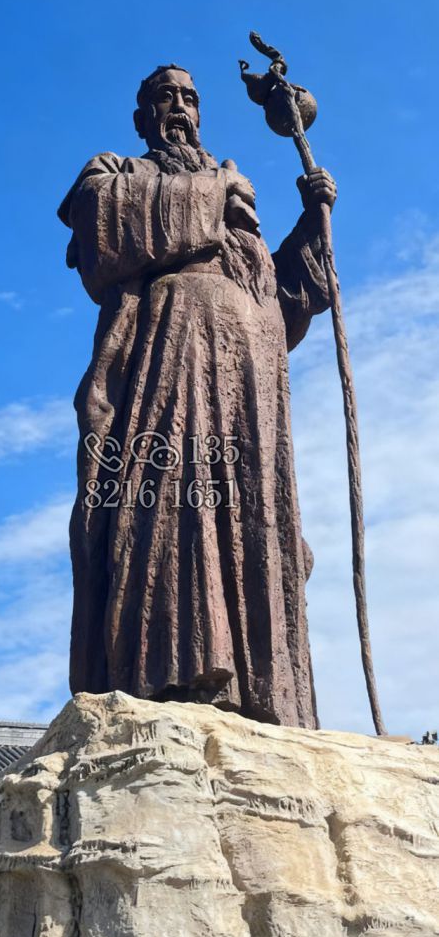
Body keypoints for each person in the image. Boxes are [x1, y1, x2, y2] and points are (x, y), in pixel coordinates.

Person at [58, 65, 337, 728]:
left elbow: (276, 298)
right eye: (165, 97)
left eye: (189, 97)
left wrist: (311, 226)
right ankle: (173, 675)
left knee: (252, 517)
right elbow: (104, 227)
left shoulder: (235, 200)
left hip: (249, 376)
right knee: (172, 502)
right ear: (142, 118)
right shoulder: (119, 171)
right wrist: (217, 192)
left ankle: (265, 692)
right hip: (169, 353)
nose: (179, 107)